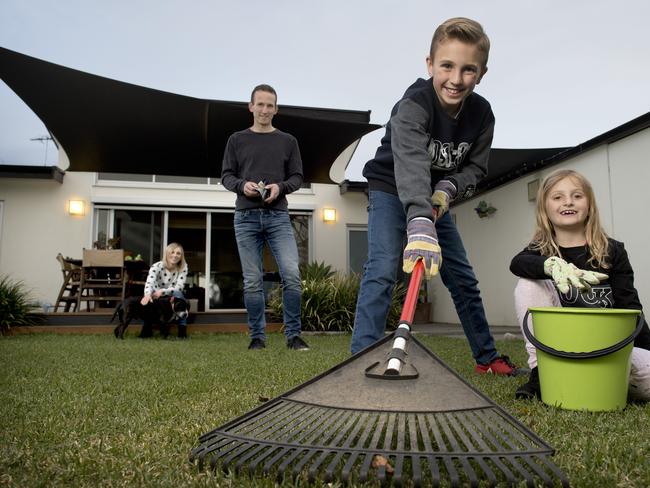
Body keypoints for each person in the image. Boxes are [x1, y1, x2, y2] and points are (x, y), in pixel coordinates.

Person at [350, 17, 517, 375]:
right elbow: (409, 162)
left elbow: (476, 167)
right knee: (381, 268)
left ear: (482, 72)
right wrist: (419, 217)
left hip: (436, 200)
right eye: (447, 66)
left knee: (462, 277)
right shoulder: (414, 104)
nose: (456, 79)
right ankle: (360, 359)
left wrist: (449, 187)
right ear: (429, 64)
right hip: (392, 188)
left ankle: (487, 359)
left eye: (468, 69)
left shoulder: (482, 115)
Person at [511, 169, 650, 401]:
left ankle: (599, 378)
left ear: (589, 205)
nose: (568, 202)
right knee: (527, 283)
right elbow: (518, 263)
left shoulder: (613, 250)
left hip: (608, 348)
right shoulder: (541, 250)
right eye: (557, 197)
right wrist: (551, 266)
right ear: (545, 207)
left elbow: (630, 305)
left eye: (577, 196)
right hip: (560, 348)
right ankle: (540, 375)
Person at [221, 84, 309, 351]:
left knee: (292, 275)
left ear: (276, 109)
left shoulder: (288, 141)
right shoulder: (236, 140)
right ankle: (257, 338)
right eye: (260, 104)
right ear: (251, 107)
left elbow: (297, 177)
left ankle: (293, 336)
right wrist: (241, 185)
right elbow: (226, 175)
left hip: (278, 217)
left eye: (270, 105)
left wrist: (279, 187)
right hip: (245, 218)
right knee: (252, 280)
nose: (264, 110)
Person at [140, 242, 189, 338]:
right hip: (155, 293)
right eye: (172, 252)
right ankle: (146, 328)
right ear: (167, 253)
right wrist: (147, 294)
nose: (175, 255)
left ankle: (182, 329)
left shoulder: (183, 267)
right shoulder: (156, 266)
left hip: (172, 293)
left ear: (181, 256)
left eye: (178, 253)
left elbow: (179, 287)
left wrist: (163, 291)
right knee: (147, 301)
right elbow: (149, 282)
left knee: (180, 296)